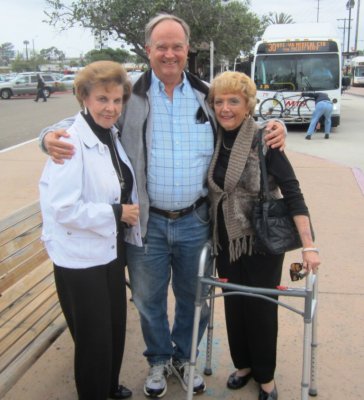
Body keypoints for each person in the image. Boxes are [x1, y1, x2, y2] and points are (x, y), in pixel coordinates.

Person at [38, 14, 287, 398]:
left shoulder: (207, 94)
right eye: (161, 46)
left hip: (196, 220)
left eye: (176, 46)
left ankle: (185, 358)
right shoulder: (131, 94)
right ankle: (158, 358)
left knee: (194, 298)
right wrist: (46, 136)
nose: (169, 54)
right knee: (148, 298)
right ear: (148, 50)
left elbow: (239, 118)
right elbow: (88, 118)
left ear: (188, 50)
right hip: (148, 223)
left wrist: (276, 126)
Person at [207, 71, 320, 400]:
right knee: (233, 303)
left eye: (233, 101)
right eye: (219, 101)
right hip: (226, 238)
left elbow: (293, 193)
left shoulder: (264, 138)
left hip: (261, 240)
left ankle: (266, 377)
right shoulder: (213, 138)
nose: (225, 108)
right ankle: (243, 365)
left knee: (260, 308)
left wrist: (309, 246)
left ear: (247, 105)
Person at [39, 61, 142, 400]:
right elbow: (62, 209)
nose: (111, 108)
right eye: (102, 99)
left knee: (113, 330)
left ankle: (108, 387)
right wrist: (117, 212)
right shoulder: (69, 143)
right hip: (81, 261)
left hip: (109, 252)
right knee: (94, 340)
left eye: (116, 100)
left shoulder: (108, 134)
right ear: (83, 97)